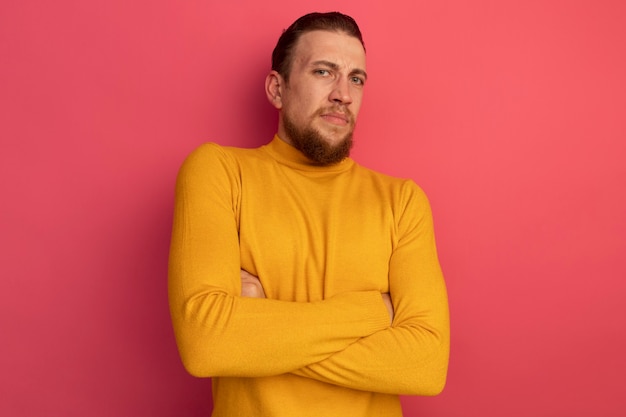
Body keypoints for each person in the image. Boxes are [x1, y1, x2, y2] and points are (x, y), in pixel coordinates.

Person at [168, 11, 449, 417]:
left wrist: (258, 330)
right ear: (277, 89)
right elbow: (206, 344)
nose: (343, 94)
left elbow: (427, 366)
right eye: (323, 71)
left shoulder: (402, 201)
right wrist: (375, 312)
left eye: (356, 78)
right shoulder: (219, 173)